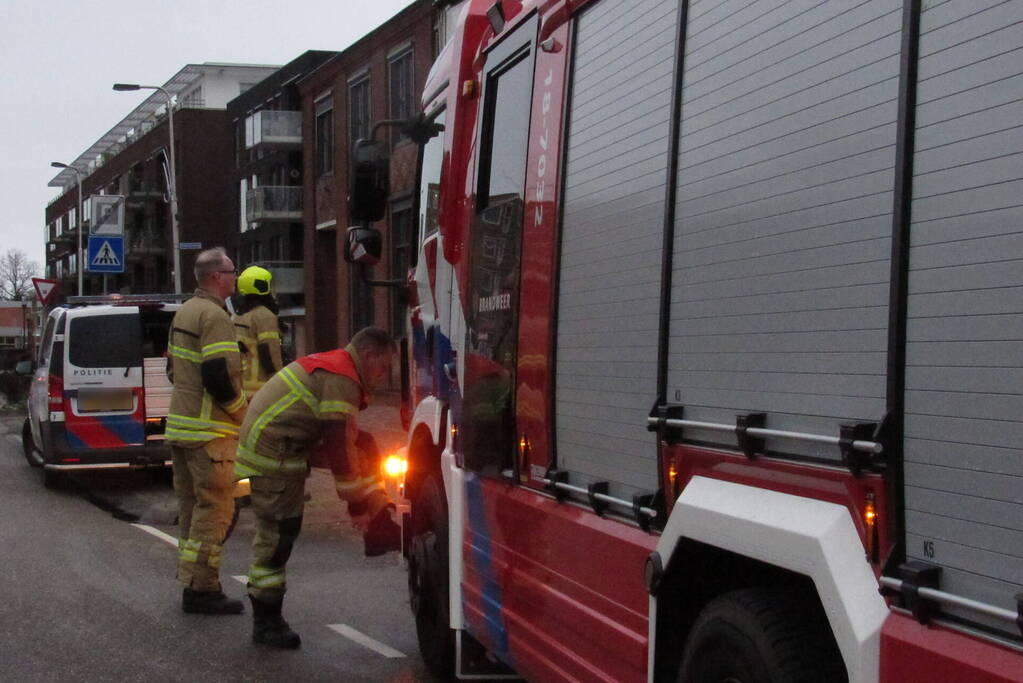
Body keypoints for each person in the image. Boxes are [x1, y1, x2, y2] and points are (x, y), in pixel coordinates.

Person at [234, 327, 402, 649]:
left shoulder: (339, 367)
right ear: (368, 356)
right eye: (382, 367)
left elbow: (351, 442)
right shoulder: (342, 379)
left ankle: (378, 526)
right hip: (272, 454)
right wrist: (354, 504)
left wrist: (367, 502)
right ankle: (266, 620)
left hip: (286, 443)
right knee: (279, 532)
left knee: (365, 445)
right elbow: (338, 446)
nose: (383, 377)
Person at [166, 247, 248, 615]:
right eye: (232, 271)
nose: (236, 276)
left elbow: (173, 372)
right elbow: (217, 375)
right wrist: (242, 415)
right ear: (217, 277)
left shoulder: (184, 311)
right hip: (210, 434)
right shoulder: (215, 317)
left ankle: (191, 585)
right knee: (214, 514)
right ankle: (203, 590)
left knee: (192, 513)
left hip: (181, 429)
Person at [232, 265, 284, 398]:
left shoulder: (237, 316)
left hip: (241, 388)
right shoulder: (264, 316)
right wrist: (281, 385)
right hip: (261, 390)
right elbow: (271, 355)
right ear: (263, 286)